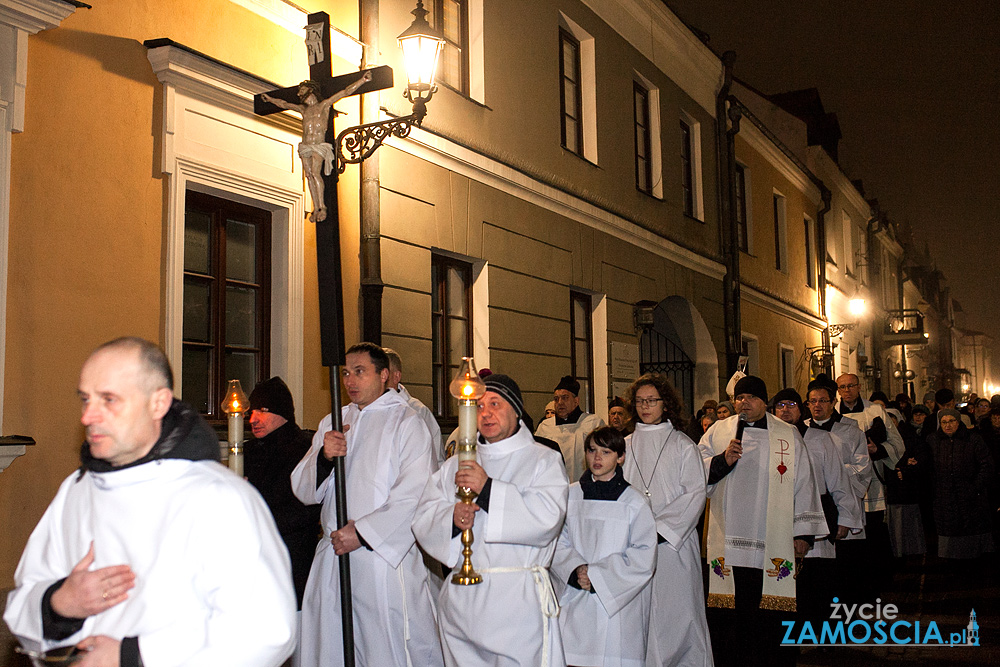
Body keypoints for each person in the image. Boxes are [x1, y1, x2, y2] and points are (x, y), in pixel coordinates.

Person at [4, 337, 296, 666]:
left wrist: (133, 656)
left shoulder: (218, 497)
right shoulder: (76, 488)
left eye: (108, 399)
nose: (88, 416)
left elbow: (266, 631)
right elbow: (22, 606)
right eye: (86, 399)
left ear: (158, 403)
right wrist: (59, 603)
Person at [291, 343, 443, 667]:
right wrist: (324, 457)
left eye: (360, 372)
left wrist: (362, 534)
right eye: (346, 372)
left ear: (384, 374)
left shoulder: (407, 422)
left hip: (381, 560)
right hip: (334, 555)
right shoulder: (333, 421)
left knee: (381, 649)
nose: (350, 381)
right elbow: (304, 489)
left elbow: (416, 493)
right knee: (332, 647)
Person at [412, 373, 569, 667]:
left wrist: (488, 490)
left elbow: (547, 518)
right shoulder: (455, 465)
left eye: (495, 403)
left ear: (516, 409)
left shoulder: (543, 460)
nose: (486, 413)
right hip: (461, 604)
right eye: (479, 407)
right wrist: (452, 519)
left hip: (516, 603)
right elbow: (423, 515)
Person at [698, 376, 825, 667]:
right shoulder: (718, 432)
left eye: (751, 397)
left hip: (772, 540)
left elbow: (804, 482)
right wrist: (721, 461)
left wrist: (803, 533)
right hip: (728, 541)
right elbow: (695, 469)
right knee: (733, 614)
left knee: (767, 617)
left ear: (764, 402)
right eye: (740, 397)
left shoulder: (787, 434)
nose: (744, 402)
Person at [623, 372, 713, 666]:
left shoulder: (683, 445)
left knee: (678, 617)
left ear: (666, 404)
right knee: (640, 619)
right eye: (639, 401)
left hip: (672, 546)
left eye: (651, 400)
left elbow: (695, 493)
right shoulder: (623, 445)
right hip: (633, 546)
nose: (645, 406)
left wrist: (658, 530)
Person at [551, 427, 656, 667]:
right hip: (575, 596)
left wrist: (597, 576)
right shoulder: (570, 495)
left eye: (606, 452)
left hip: (617, 605)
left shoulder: (635, 502)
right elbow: (556, 538)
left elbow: (643, 555)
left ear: (620, 457)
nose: (597, 458)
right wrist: (576, 569)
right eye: (592, 450)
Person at [781, 386, 861, 629]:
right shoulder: (770, 440)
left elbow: (838, 480)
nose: (785, 411)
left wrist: (846, 517)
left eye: (791, 405)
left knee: (819, 582)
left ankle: (823, 634)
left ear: (801, 408)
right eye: (780, 405)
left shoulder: (821, 439)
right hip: (782, 519)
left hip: (819, 517)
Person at [244, 376, 322, 612]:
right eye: (251, 411)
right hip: (254, 561)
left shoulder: (304, 449)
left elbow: (306, 507)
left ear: (283, 412)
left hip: (292, 559)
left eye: (263, 410)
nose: (253, 419)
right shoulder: (248, 451)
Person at [261, 71, 371, 222]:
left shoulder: (324, 105)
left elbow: (345, 92)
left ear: (310, 90)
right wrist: (270, 99)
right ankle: (315, 207)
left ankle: (322, 207)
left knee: (315, 173)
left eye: (302, 90)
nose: (299, 93)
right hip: (305, 145)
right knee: (309, 175)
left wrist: (363, 80)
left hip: (318, 145)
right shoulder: (303, 109)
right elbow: (284, 104)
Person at [836, 373, 904, 577]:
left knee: (872, 535)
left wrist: (877, 450)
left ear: (859, 387)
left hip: (871, 484)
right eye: (842, 387)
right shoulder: (831, 413)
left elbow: (897, 444)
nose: (847, 391)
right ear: (838, 390)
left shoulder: (875, 411)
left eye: (851, 386)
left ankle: (874, 578)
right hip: (841, 483)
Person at [927, 408, 995, 560]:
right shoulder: (933, 440)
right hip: (944, 496)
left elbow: (986, 465)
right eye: (944, 422)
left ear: (958, 422)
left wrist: (975, 487)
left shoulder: (973, 439)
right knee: (949, 535)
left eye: (951, 421)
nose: (948, 425)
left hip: (970, 495)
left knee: (970, 532)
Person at [535, 375, 605, 481]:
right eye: (556, 399)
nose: (560, 403)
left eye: (565, 398)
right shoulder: (545, 427)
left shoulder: (593, 423)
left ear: (576, 401)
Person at [384, 347, 443, 463]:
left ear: (396, 377)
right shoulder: (361, 410)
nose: (379, 379)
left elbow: (436, 460)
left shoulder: (418, 411)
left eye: (384, 373)